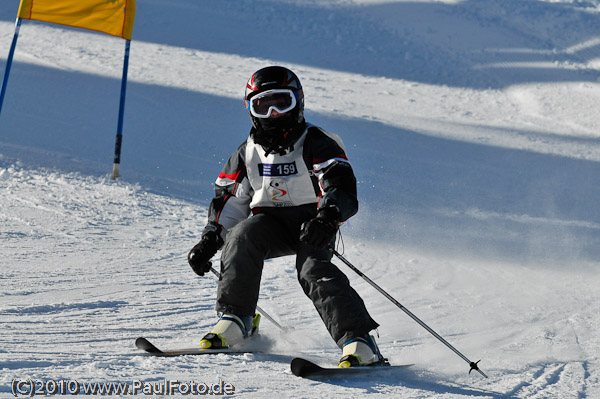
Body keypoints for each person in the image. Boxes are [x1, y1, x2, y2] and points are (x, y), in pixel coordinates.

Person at [187, 66, 385, 367]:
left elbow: (339, 183)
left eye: (282, 102)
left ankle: (359, 340)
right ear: (251, 109)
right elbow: (230, 200)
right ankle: (238, 320)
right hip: (271, 223)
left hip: (314, 222)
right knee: (242, 237)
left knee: (312, 270)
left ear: (298, 102)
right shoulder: (247, 152)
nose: (275, 113)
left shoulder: (316, 141)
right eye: (263, 105)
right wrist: (211, 238)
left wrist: (329, 217)